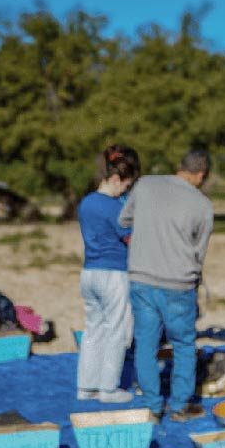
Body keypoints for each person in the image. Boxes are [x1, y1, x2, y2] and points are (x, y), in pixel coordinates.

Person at [118, 149, 213, 421]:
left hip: (141, 278)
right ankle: (180, 406)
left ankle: (152, 405)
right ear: (201, 175)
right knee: (183, 344)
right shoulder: (203, 204)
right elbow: (199, 252)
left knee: (145, 344)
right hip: (179, 284)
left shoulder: (145, 184)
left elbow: (123, 220)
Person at [76, 144, 140, 403]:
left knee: (93, 330)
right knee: (116, 330)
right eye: (125, 185)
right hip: (113, 273)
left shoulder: (86, 203)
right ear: (115, 179)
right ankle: (108, 389)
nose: (125, 190)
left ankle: (85, 387)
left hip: (89, 272)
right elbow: (129, 238)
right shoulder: (114, 207)